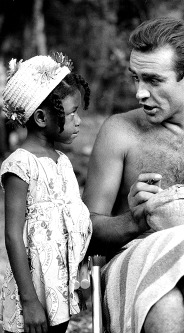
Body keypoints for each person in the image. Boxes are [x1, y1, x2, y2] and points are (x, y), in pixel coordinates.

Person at [83, 17, 184, 333]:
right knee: (164, 293)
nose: (139, 93)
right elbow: (86, 232)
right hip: (135, 265)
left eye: (153, 80)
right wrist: (134, 220)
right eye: (135, 78)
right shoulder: (120, 131)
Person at [0, 53, 92, 333]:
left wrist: (79, 281)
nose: (78, 121)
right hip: (33, 288)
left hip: (59, 286)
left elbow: (72, 222)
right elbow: (13, 234)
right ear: (41, 117)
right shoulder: (20, 164)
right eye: (72, 112)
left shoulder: (62, 162)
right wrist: (29, 300)